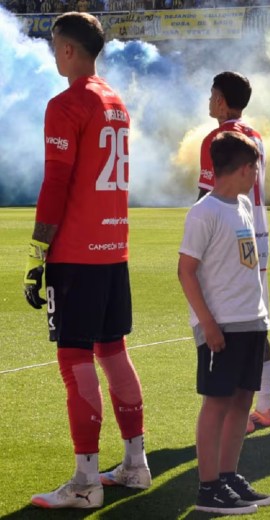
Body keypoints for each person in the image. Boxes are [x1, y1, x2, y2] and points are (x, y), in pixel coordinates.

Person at [26, 12, 149, 509]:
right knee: (113, 351)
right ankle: (136, 464)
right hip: (113, 249)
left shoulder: (67, 103)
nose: (53, 54)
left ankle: (85, 481)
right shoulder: (116, 102)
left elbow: (56, 182)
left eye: (55, 46)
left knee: (75, 359)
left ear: (70, 49)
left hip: (76, 253)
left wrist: (37, 252)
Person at [178, 131, 270, 514]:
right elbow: (186, 271)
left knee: (242, 402)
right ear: (242, 168)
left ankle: (228, 476)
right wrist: (208, 325)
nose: (256, 175)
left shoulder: (243, 206)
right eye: (254, 168)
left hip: (252, 321)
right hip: (223, 326)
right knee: (216, 404)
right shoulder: (204, 212)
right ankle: (207, 487)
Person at [198, 71, 270, 434]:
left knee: (226, 321)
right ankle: (265, 404)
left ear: (222, 101)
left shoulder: (218, 139)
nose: (209, 100)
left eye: (213, 94)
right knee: (256, 320)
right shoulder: (256, 135)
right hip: (258, 233)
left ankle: (233, 410)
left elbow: (207, 196)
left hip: (229, 237)